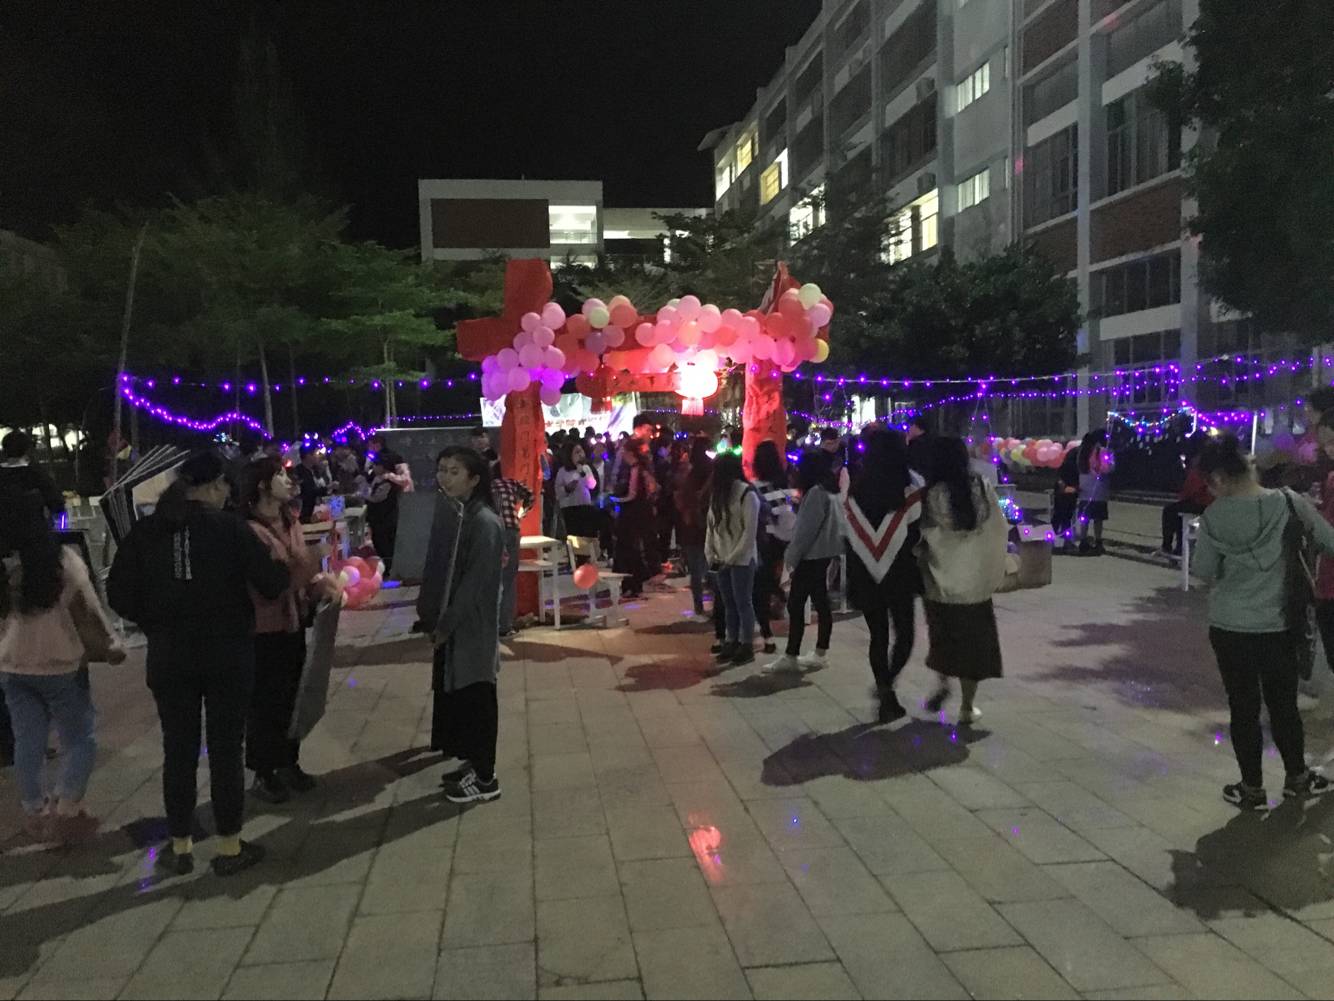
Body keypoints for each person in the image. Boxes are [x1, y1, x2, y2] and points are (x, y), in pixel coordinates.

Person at [108, 450, 289, 877]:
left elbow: (118, 593)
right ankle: (229, 847)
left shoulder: (147, 530)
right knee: (226, 749)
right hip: (228, 654)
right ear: (214, 485)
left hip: (171, 656)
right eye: (226, 487)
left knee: (179, 749)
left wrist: (155, 620)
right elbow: (271, 583)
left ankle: (180, 846)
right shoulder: (231, 528)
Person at [1192, 434, 1334, 809]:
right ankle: (1297, 779)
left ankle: (1252, 789)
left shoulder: (1214, 516)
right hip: (1278, 624)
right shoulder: (1289, 502)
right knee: (1283, 704)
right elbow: (1329, 541)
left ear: (1220, 478)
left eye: (1209, 483)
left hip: (1228, 626)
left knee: (1243, 707)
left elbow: (1203, 570)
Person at [0, 500, 123, 844]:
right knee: (80, 738)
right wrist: (111, 642)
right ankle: (67, 805)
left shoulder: (5, 565)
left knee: (28, 741)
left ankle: (35, 810)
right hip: (60, 666)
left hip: (12, 666)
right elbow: (88, 608)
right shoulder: (61, 561)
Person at [238, 458, 335, 804]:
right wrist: (313, 559)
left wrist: (318, 586)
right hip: (263, 628)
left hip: (295, 621)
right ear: (262, 485)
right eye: (280, 474)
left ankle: (288, 762)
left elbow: (300, 573)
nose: (288, 479)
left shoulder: (290, 520)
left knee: (293, 696)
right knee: (266, 702)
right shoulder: (249, 530)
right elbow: (273, 580)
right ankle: (264, 771)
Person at [431, 447, 507, 804]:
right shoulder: (462, 514)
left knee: (479, 698)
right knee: (465, 697)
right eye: (442, 470)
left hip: (474, 626)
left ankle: (486, 778)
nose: (445, 478)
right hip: (461, 625)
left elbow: (473, 584)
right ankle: (474, 764)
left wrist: (447, 623)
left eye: (454, 472)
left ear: (474, 479)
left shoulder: (484, 522)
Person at [918, 436, 1009, 725]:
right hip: (975, 584)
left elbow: (922, 536)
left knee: (943, 638)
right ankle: (968, 707)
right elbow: (998, 526)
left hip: (941, 582)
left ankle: (943, 682)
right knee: (975, 646)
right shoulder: (981, 487)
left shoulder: (930, 494)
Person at [843, 429, 924, 722]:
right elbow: (916, 533)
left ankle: (884, 691)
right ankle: (887, 685)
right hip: (900, 573)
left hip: (865, 573)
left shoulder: (855, 491)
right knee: (905, 635)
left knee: (878, 636)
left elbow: (849, 535)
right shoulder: (910, 489)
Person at [767, 449, 843, 673]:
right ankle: (820, 652)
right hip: (824, 554)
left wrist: (791, 558)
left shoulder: (816, 493)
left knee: (796, 603)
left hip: (811, 556)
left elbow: (805, 532)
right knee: (821, 601)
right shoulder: (831, 491)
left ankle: (792, 654)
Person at [706, 452, 761, 667]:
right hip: (722, 558)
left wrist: (732, 557)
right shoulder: (718, 494)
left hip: (742, 559)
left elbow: (749, 533)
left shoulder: (747, 494)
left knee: (742, 601)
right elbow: (711, 527)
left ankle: (746, 644)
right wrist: (710, 552)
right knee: (728, 603)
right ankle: (732, 640)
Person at [751, 441, 795, 654]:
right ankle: (779, 595)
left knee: (759, 589)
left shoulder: (754, 488)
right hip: (787, 542)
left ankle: (767, 635)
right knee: (774, 581)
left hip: (765, 542)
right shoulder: (787, 487)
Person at [490, 462, 535, 636]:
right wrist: (522, 511)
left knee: (491, 579)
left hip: (492, 531)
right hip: (511, 530)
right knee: (508, 579)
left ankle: (490, 624)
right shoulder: (510, 482)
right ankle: (505, 626)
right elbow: (530, 494)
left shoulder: (484, 487)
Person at [610, 439, 658, 599]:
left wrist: (615, 500)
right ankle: (634, 584)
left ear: (630, 453)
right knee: (633, 549)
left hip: (632, 514)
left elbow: (632, 494)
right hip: (641, 513)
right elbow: (653, 488)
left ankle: (631, 584)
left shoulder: (636, 469)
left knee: (627, 549)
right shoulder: (643, 469)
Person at [674, 437, 713, 621]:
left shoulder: (687, 472)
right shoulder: (711, 470)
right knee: (710, 565)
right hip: (707, 523)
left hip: (690, 523)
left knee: (695, 569)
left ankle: (698, 606)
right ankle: (715, 604)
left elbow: (680, 497)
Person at [0, 431, 65, 526]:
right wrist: (62, 528)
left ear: (4, 451)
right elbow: (58, 505)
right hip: (36, 530)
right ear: (28, 450)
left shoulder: (3, 476)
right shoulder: (37, 474)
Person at [1161, 455, 1212, 556]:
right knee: (1179, 514)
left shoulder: (1198, 473)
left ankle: (1167, 545)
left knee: (1170, 511)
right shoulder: (1212, 472)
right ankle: (1179, 547)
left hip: (1201, 504)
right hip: (1209, 504)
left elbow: (1189, 492)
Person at [366, 451, 405, 576]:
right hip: (377, 518)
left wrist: (364, 494)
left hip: (385, 517)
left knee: (385, 544)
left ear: (383, 467)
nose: (374, 468)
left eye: (376, 465)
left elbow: (377, 498)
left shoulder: (389, 481)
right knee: (378, 541)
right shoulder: (377, 478)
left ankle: (388, 569)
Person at [1076, 430, 1113, 555]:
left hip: (1084, 489)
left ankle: (1083, 541)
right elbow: (1106, 468)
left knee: (1085, 518)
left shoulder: (1082, 452)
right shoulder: (1101, 451)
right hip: (1098, 489)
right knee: (1098, 518)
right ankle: (1098, 542)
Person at [555, 441, 600, 539]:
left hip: (585, 505)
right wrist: (569, 487)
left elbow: (592, 485)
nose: (580, 454)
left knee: (588, 536)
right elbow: (558, 492)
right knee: (574, 537)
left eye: (581, 451)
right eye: (577, 452)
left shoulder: (586, 468)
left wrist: (587, 474)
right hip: (570, 508)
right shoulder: (562, 471)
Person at [1051, 444, 1080, 550]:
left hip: (1063, 493)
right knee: (1064, 517)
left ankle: (1053, 541)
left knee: (1060, 517)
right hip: (1065, 493)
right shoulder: (1072, 467)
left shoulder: (1065, 466)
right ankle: (1064, 541)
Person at [292, 443, 329, 523]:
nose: (319, 457)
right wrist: (328, 488)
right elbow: (308, 492)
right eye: (316, 454)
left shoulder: (315, 470)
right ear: (308, 456)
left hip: (320, 506)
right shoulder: (299, 472)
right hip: (306, 512)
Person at [819, 428, 851, 495]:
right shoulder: (819, 456)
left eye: (835, 442)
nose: (833, 446)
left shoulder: (841, 450)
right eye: (829, 443)